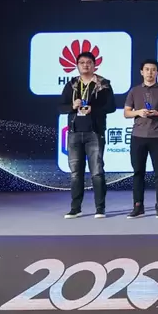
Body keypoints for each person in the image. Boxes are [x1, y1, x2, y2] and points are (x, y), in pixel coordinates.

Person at [58, 51, 116, 219]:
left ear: (94, 65)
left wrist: (94, 109)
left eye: (89, 62)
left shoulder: (103, 84)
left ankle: (100, 208)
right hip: (74, 133)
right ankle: (75, 208)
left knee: (97, 172)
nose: (85, 65)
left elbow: (111, 107)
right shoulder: (72, 84)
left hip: (94, 133)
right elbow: (60, 107)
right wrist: (72, 106)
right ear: (77, 65)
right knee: (76, 173)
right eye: (82, 62)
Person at [123, 59, 158, 218]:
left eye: (153, 70)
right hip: (138, 136)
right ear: (141, 72)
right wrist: (138, 112)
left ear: (157, 72)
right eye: (147, 69)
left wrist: (157, 113)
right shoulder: (134, 91)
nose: (150, 72)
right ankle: (138, 205)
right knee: (138, 172)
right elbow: (126, 113)